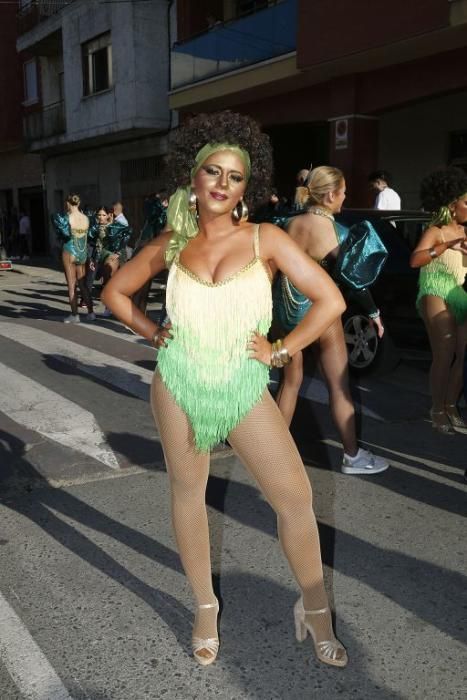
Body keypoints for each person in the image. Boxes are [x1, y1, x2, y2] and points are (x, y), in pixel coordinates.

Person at [103, 110, 349, 668]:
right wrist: (151, 331)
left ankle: (315, 612)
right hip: (179, 382)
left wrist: (281, 350)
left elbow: (330, 300)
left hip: (241, 387)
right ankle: (205, 607)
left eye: (233, 177)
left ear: (246, 188)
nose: (221, 183)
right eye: (211, 172)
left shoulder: (267, 239)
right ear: (193, 180)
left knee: (295, 499)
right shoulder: (171, 243)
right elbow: (116, 292)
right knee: (188, 495)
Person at [273, 166, 389, 475]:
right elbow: (355, 281)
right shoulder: (336, 233)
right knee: (338, 387)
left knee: (290, 383)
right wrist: (374, 314)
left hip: (285, 313)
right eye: (344, 192)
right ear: (330, 195)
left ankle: (272, 458)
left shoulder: (288, 224)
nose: (346, 198)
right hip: (320, 314)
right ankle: (352, 456)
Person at [410, 167, 467, 434]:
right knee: (444, 352)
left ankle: (451, 404)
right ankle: (436, 408)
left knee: (463, 355)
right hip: (434, 290)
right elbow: (415, 260)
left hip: (460, 294)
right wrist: (445, 245)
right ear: (452, 205)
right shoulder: (437, 230)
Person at [51, 194, 95, 323]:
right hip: (82, 252)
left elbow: (62, 233)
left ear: (68, 203)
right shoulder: (86, 218)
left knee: (71, 285)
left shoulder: (67, 218)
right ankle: (91, 313)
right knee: (82, 284)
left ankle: (75, 315)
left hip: (70, 250)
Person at [131, 192, 169, 316]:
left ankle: (140, 314)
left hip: (155, 249)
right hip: (148, 248)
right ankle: (137, 315)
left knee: (144, 286)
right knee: (142, 285)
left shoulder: (161, 215)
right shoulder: (156, 214)